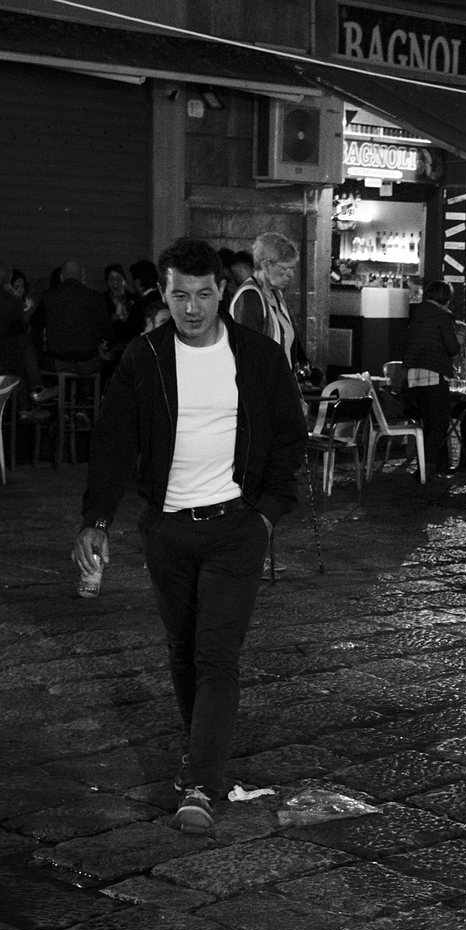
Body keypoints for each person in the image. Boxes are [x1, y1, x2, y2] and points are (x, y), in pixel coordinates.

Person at [76, 237, 307, 835]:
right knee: (183, 651)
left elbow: (288, 436)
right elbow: (113, 442)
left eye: (204, 294)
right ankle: (201, 748)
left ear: (222, 292)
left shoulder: (257, 357)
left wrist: (267, 513)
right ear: (164, 293)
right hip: (168, 528)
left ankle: (200, 784)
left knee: (216, 654)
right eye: (180, 295)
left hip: (236, 527)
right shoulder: (145, 357)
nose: (193, 308)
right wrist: (96, 519)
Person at [402, 276, 466, 481]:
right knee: (439, 423)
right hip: (433, 373)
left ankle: (428, 467)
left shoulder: (417, 314)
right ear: (446, 298)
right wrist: (460, 341)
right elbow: (452, 348)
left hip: (413, 374)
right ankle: (428, 470)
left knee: (427, 422)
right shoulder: (443, 317)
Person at [229, 233, 306, 368]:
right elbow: (248, 357)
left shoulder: (276, 294)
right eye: (285, 268)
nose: (291, 274)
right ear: (265, 266)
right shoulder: (249, 298)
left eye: (292, 268)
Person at [36, 259, 108, 376]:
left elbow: (36, 325)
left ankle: (52, 391)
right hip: (88, 361)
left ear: (61, 276)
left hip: (57, 361)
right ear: (82, 277)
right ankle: (87, 393)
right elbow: (107, 331)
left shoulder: (49, 297)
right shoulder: (95, 298)